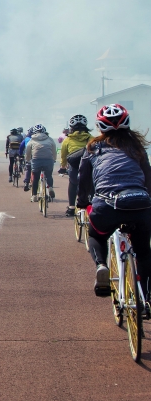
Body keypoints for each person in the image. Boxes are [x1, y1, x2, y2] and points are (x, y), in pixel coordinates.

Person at [77, 104, 151, 303]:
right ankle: (146, 297)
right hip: (140, 203)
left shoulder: (93, 148)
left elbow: (83, 178)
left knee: (96, 235)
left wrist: (81, 201)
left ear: (100, 127)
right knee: (144, 252)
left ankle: (101, 265)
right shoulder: (137, 148)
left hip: (107, 205)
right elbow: (148, 177)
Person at [59, 115, 92, 217]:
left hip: (74, 167)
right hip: (90, 167)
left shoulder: (67, 140)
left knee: (73, 184)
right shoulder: (92, 138)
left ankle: (71, 208)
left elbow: (63, 155)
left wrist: (63, 167)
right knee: (92, 185)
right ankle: (94, 207)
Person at [25, 124, 56, 201]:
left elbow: (28, 151)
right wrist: (54, 159)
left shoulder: (32, 140)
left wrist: (28, 159)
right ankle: (51, 187)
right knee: (49, 175)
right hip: (48, 160)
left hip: (36, 160)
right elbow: (54, 150)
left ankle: (34, 196)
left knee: (36, 178)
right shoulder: (50, 139)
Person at [19, 127, 34, 191]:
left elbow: (21, 147)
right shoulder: (44, 139)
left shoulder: (27, 139)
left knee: (28, 168)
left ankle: (26, 182)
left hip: (29, 156)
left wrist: (20, 155)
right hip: (43, 158)